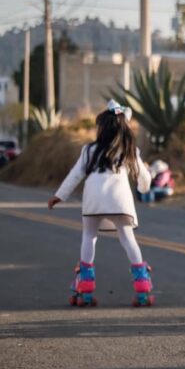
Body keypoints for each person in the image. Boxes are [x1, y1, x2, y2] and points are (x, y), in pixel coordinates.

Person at [48, 100, 155, 307]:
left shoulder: (89, 150)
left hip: (94, 200)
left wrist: (59, 195)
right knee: (127, 238)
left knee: (89, 236)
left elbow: (75, 175)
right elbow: (144, 176)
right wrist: (144, 189)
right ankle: (142, 286)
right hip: (119, 200)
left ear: (102, 129)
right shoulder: (129, 149)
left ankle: (85, 286)